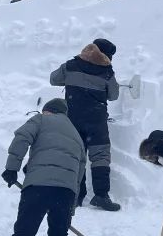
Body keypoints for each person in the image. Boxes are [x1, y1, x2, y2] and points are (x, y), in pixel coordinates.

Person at [2, 98, 85, 236]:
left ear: (48, 110)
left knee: (23, 233)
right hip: (65, 192)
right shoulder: (76, 135)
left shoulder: (41, 119)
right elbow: (79, 173)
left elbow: (22, 137)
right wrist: (70, 207)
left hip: (38, 187)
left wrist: (11, 168)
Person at [49, 39, 121, 211]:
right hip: (96, 120)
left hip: (72, 119)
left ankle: (75, 196)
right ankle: (101, 196)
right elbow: (114, 95)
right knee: (100, 157)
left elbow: (53, 79)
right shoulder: (107, 72)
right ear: (106, 55)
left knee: (75, 156)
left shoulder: (71, 65)